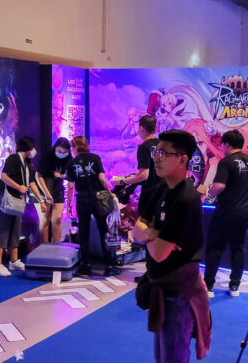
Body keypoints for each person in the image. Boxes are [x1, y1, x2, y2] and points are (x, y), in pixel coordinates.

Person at [134, 130, 211, 363]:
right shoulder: (161, 189)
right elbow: (137, 228)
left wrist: (150, 235)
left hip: (180, 293)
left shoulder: (186, 199)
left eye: (164, 153)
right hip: (161, 288)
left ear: (182, 159)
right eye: (157, 152)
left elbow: (159, 252)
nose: (157, 158)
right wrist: (153, 233)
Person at [204, 129, 248, 298]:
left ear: (227, 144)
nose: (222, 148)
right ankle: (235, 285)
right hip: (246, 211)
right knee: (239, 248)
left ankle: (208, 286)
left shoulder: (226, 162)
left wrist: (209, 193)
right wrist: (247, 191)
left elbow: (219, 186)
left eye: (222, 144)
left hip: (227, 211)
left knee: (215, 248)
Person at [0, 136, 47, 277]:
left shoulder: (27, 164)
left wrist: (41, 200)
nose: (34, 150)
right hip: (4, 197)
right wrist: (19, 187)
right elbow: (4, 176)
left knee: (16, 229)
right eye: (33, 147)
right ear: (28, 148)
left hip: (17, 200)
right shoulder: (13, 158)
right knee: (3, 229)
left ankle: (14, 261)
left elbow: (32, 183)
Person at [66, 135, 115, 276]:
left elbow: (70, 186)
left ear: (75, 147)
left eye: (72, 147)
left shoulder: (71, 163)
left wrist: (68, 205)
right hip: (98, 199)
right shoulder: (95, 158)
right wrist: (109, 192)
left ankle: (86, 265)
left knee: (83, 232)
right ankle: (109, 265)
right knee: (103, 229)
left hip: (81, 200)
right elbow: (102, 178)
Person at [112, 114, 160, 214]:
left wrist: (122, 181)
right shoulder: (161, 144)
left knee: (143, 222)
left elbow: (144, 175)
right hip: (163, 192)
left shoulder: (143, 147)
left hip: (150, 194)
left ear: (141, 128)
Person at [35, 137, 72, 243]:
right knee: (45, 219)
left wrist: (60, 176)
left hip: (58, 190)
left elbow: (70, 179)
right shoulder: (48, 156)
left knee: (57, 219)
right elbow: (38, 175)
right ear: (55, 147)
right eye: (59, 151)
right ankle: (45, 245)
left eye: (64, 152)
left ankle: (56, 246)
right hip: (44, 189)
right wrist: (46, 193)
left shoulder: (69, 160)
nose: (61, 154)